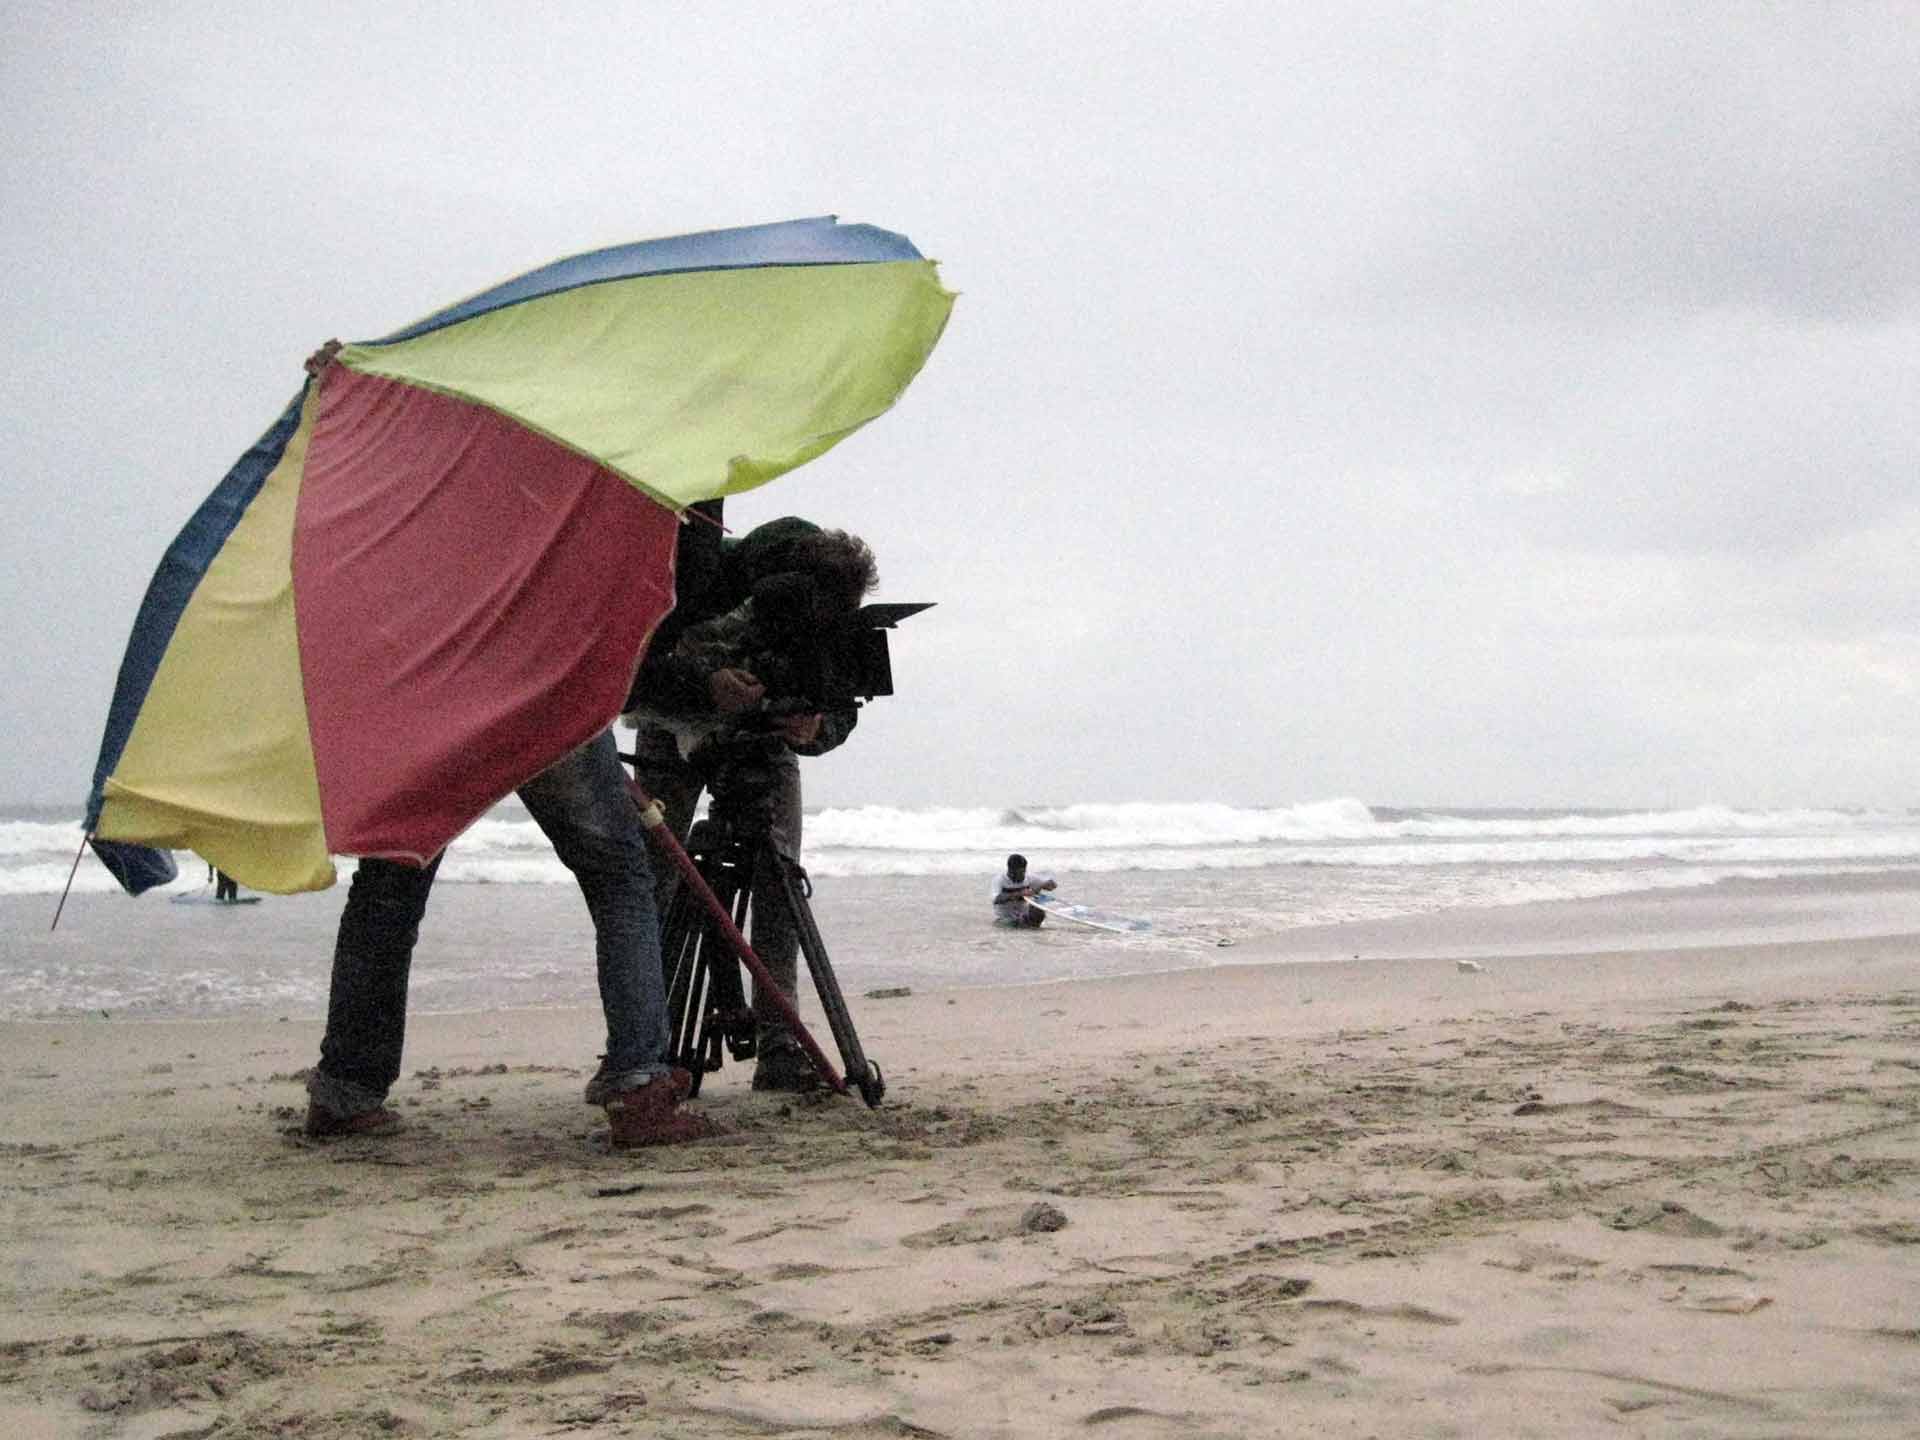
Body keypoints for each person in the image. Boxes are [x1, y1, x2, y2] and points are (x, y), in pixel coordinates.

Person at [299, 342, 714, 1150]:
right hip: (538, 680)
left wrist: (354, 384)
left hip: (432, 683)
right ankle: (637, 1084)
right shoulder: (619, 438)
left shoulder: (461, 438)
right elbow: (675, 572)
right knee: (619, 873)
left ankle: (347, 1088)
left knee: (392, 876)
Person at [625, 510, 877, 1092]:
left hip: (764, 741)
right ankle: (644, 1047)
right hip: (674, 724)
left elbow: (839, 700)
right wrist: (704, 685)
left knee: (778, 879)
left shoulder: (829, 615)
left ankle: (780, 1047)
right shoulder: (706, 579)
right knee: (654, 878)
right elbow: (637, 669)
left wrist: (815, 728)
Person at [993, 853, 1056, 928]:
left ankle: (1031, 925)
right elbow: (996, 899)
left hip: (1024, 916)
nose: (1023, 875)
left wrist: (1048, 884)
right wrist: (1020, 894)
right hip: (1005, 918)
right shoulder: (999, 880)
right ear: (1011, 871)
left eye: (1024, 871)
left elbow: (1051, 885)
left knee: (1039, 912)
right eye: (1020, 872)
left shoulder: (1029, 877)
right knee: (1014, 923)